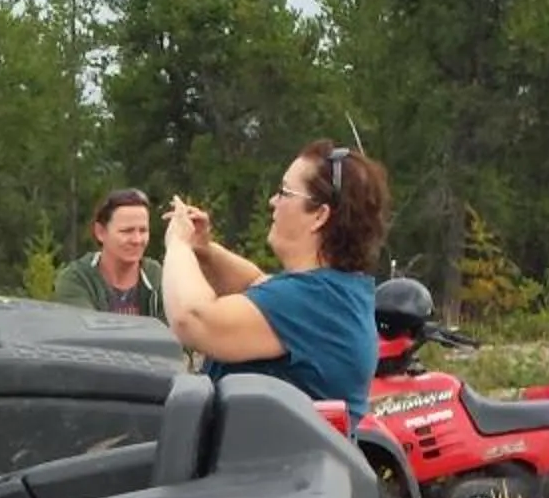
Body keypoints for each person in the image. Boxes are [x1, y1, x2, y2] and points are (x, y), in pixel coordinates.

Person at [161, 141, 391, 431]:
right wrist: (204, 249)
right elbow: (255, 284)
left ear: (319, 215)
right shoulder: (334, 293)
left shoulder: (313, 300)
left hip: (262, 473)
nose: (273, 201)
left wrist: (178, 244)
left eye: (284, 192)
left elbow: (193, 317)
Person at [53, 191, 164, 316]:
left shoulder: (157, 277)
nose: (137, 240)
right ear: (100, 232)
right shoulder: (77, 279)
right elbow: (86, 330)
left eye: (143, 231)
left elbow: (179, 327)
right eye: (127, 231)